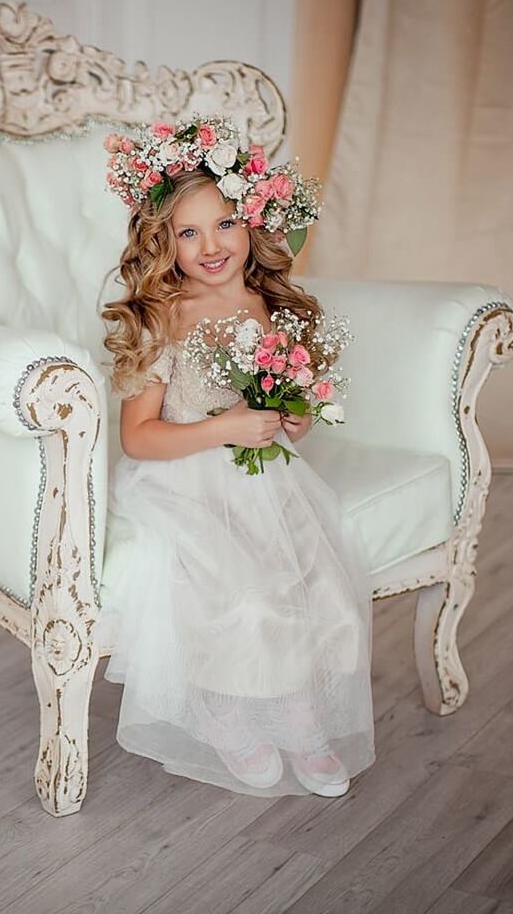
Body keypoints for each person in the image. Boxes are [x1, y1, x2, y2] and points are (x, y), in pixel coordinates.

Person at [96, 115, 375, 798]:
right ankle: (224, 713)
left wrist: (291, 411)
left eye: (224, 224)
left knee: (317, 579)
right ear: (163, 242)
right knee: (244, 589)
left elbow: (294, 423)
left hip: (265, 471)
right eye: (188, 233)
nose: (210, 245)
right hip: (181, 474)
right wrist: (226, 426)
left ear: (252, 224)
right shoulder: (161, 315)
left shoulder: (272, 304)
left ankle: (301, 719)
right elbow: (138, 437)